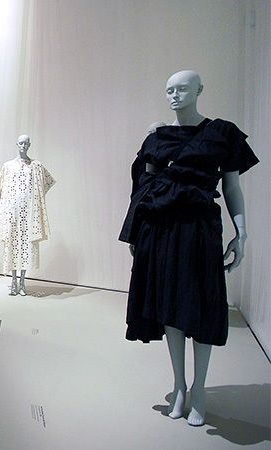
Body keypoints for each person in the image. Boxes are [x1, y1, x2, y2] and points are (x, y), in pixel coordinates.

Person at [119, 70, 258, 427]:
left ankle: (200, 388)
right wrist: (135, 233)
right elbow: (142, 186)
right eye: (169, 90)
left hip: (199, 229)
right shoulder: (157, 137)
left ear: (199, 90)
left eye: (182, 89)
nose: (175, 95)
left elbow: (231, 187)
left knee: (201, 306)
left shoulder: (221, 133)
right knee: (169, 305)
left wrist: (241, 233)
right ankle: (179, 385)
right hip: (160, 229)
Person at [0, 135, 55, 296]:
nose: (23, 146)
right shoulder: (8, 166)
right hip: (12, 212)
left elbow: (45, 184)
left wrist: (34, 199)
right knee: (13, 245)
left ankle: (22, 282)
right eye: (21, 143)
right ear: (17, 144)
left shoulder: (36, 166)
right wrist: (2, 212)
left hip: (28, 212)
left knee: (26, 246)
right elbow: (1, 190)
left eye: (26, 143)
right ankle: (13, 281)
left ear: (30, 145)